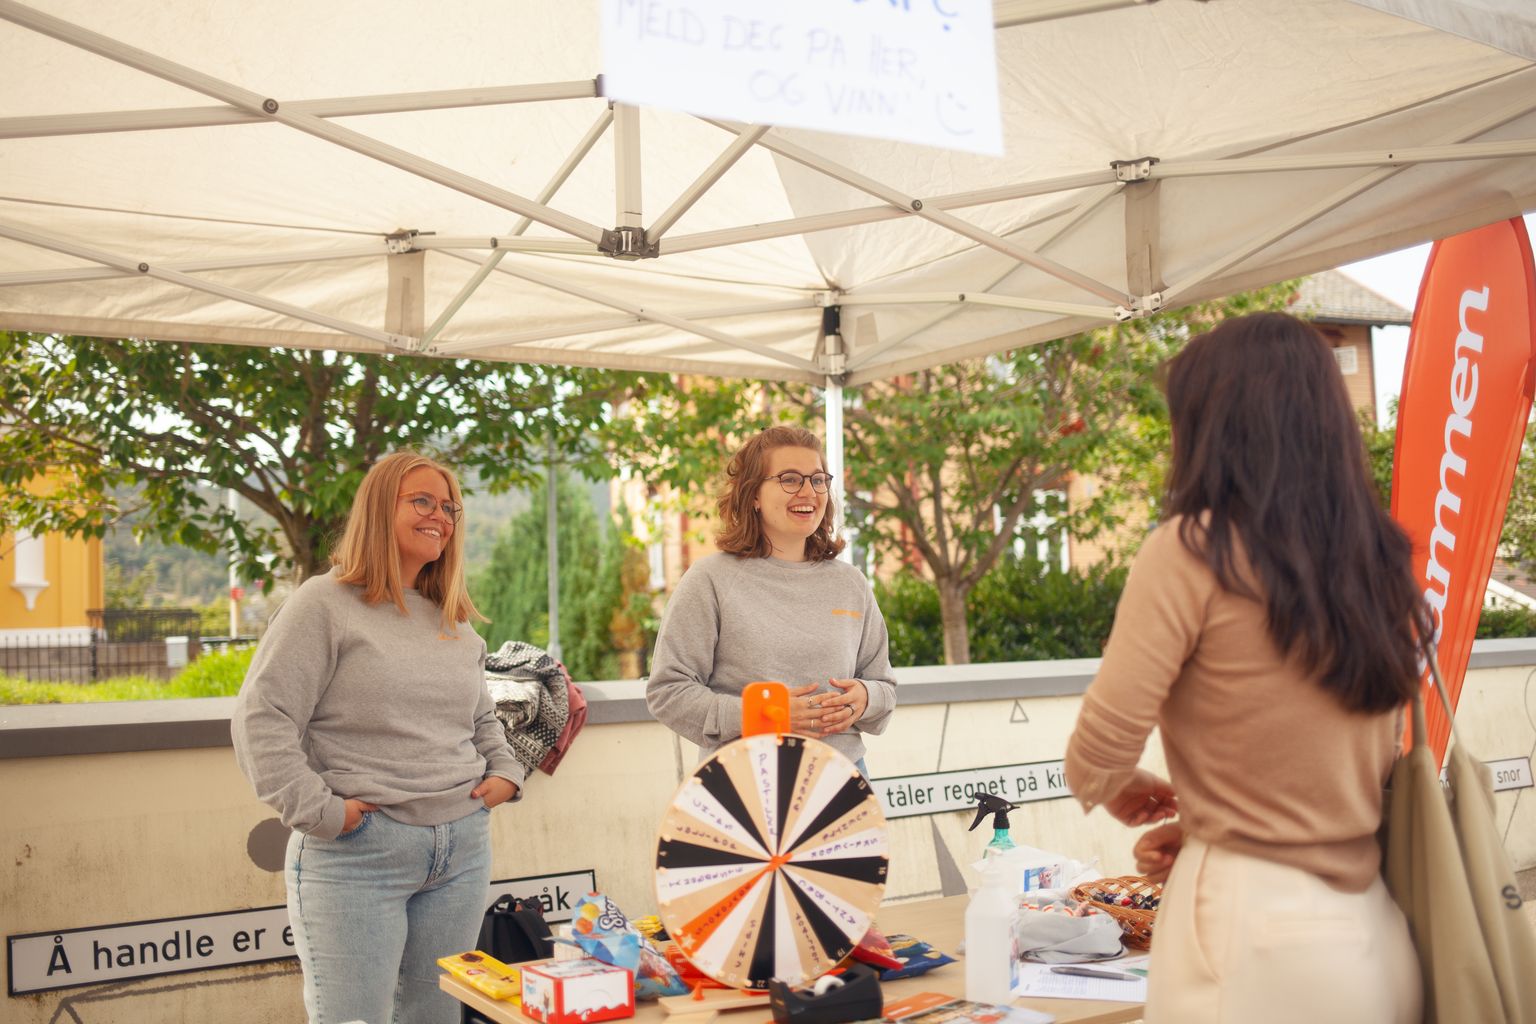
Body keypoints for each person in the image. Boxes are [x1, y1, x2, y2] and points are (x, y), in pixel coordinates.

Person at [1064, 313, 1424, 1024]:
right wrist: (1206, 821)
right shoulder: (1376, 558)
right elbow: (1364, 756)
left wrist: (1126, 792)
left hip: (1251, 934)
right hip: (1375, 930)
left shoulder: (1194, 548)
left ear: (1211, 425)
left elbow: (1099, 754)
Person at [232, 451, 522, 1024]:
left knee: (435, 1018)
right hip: (358, 855)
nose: (440, 515)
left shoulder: (452, 617)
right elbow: (261, 716)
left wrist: (505, 773)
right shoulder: (324, 603)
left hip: (461, 852)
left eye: (450, 507)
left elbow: (480, 717)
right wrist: (320, 812)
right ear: (377, 507)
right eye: (421, 501)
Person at [646, 425, 897, 772]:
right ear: (753, 496)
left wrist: (866, 698)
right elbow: (668, 692)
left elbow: (884, 685)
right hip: (744, 783)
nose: (808, 491)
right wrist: (763, 715)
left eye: (818, 479)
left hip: (844, 783)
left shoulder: (851, 583)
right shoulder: (710, 580)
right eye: (790, 479)